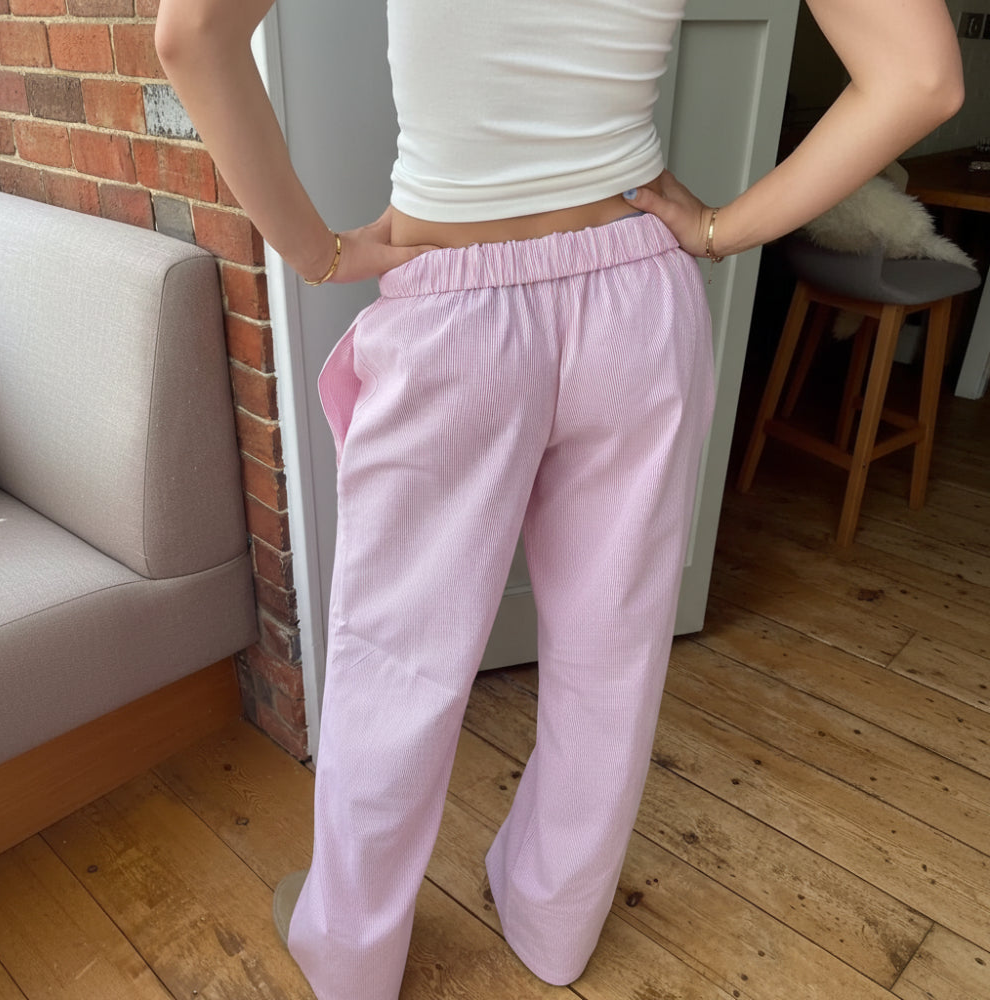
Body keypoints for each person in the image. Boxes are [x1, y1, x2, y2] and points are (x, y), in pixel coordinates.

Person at [155, 2, 963, 998]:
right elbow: (922, 78)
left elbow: (192, 33)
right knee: (610, 650)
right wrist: (721, 229)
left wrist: (316, 251)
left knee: (397, 659)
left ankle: (353, 957)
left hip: (452, 311)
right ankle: (554, 926)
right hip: (635, 299)